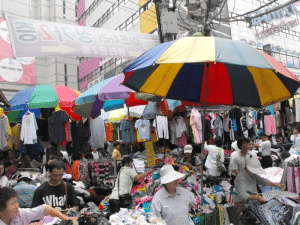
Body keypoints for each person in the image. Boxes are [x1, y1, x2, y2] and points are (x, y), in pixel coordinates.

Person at [234, 156, 285, 221]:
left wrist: (277, 185)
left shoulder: (252, 175)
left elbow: (263, 181)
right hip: (241, 202)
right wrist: (257, 198)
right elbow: (242, 195)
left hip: (251, 200)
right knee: (240, 218)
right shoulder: (241, 177)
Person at [0, 187, 77, 225]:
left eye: (16, 202)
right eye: (13, 203)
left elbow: (44, 208)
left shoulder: (19, 213)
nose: (17, 206)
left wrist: (67, 219)